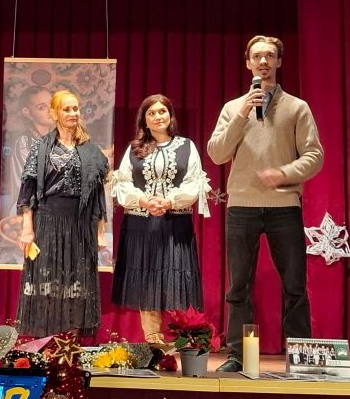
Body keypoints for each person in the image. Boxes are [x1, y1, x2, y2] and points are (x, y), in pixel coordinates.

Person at [207, 35, 324, 372]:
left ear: (278, 62)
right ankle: (237, 356)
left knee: (294, 285)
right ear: (248, 63)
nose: (263, 61)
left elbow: (314, 155)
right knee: (238, 287)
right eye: (257, 56)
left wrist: (284, 173)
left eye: (270, 56)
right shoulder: (233, 108)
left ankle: (301, 359)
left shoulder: (297, 107)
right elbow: (217, 153)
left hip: (283, 205)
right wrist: (243, 113)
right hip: (242, 206)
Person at [111, 94, 210, 344]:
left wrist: (169, 202)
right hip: (141, 222)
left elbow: (194, 182)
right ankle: (153, 340)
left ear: (170, 115)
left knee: (175, 276)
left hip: (175, 221)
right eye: (152, 113)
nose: (158, 117)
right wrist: (144, 201)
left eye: (162, 111)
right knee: (147, 279)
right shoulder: (134, 149)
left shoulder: (187, 146)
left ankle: (183, 340)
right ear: (144, 119)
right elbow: (122, 182)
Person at [16, 90, 109, 338]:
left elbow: (98, 196)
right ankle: (46, 343)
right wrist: (27, 229)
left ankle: (70, 344)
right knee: (47, 284)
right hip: (47, 222)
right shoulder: (41, 147)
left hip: (80, 225)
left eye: (75, 108)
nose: (72, 113)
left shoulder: (90, 151)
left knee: (76, 285)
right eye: (66, 109)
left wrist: (100, 232)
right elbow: (28, 190)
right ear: (54, 114)